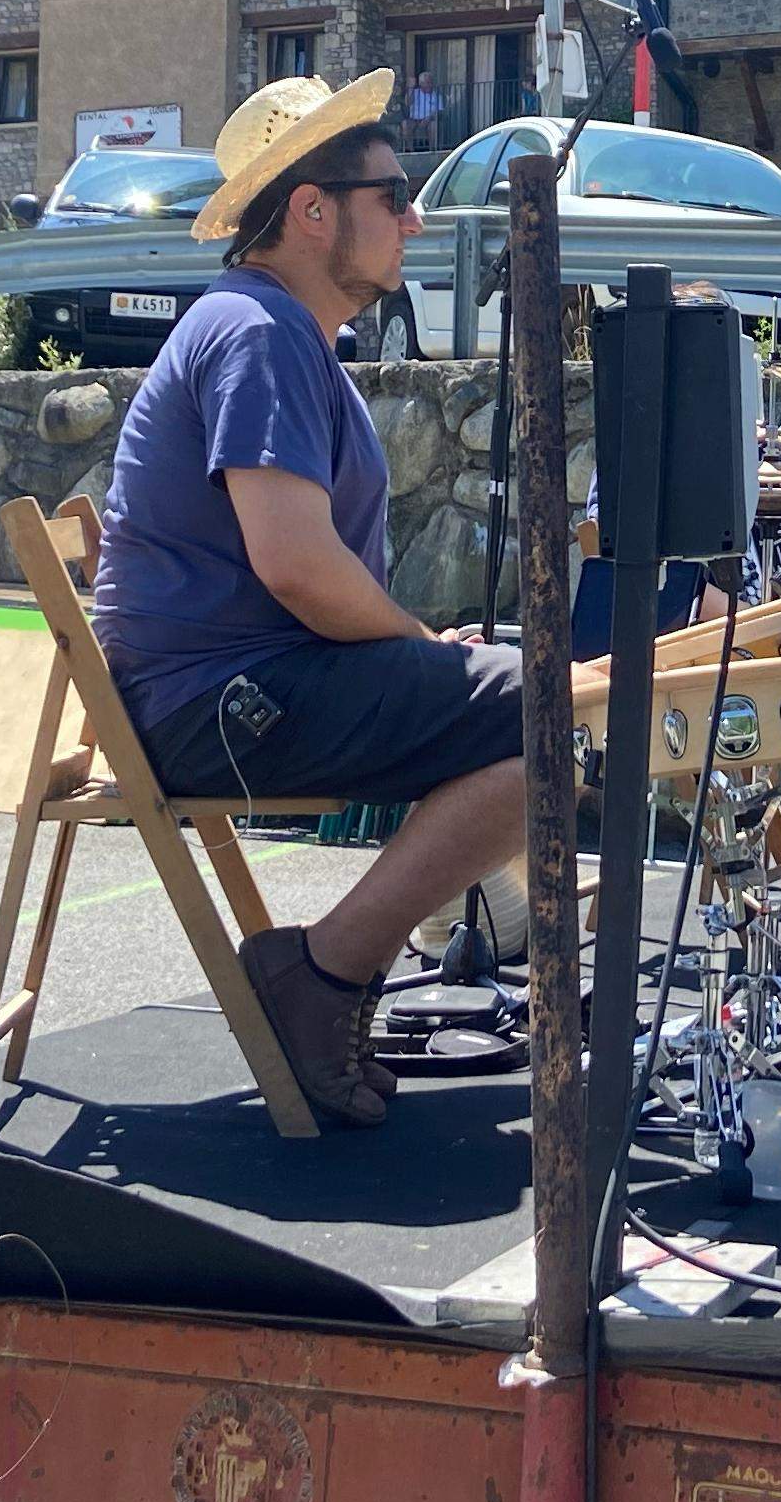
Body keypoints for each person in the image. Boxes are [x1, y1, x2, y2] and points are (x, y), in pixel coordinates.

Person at [91, 67, 520, 1127]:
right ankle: (322, 975)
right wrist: (423, 645)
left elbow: (302, 576)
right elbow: (294, 564)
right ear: (312, 210)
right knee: (545, 711)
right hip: (221, 705)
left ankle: (332, 970)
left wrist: (423, 656)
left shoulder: (275, 333)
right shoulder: (259, 332)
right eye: (395, 193)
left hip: (237, 688)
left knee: (529, 701)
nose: (417, 219)